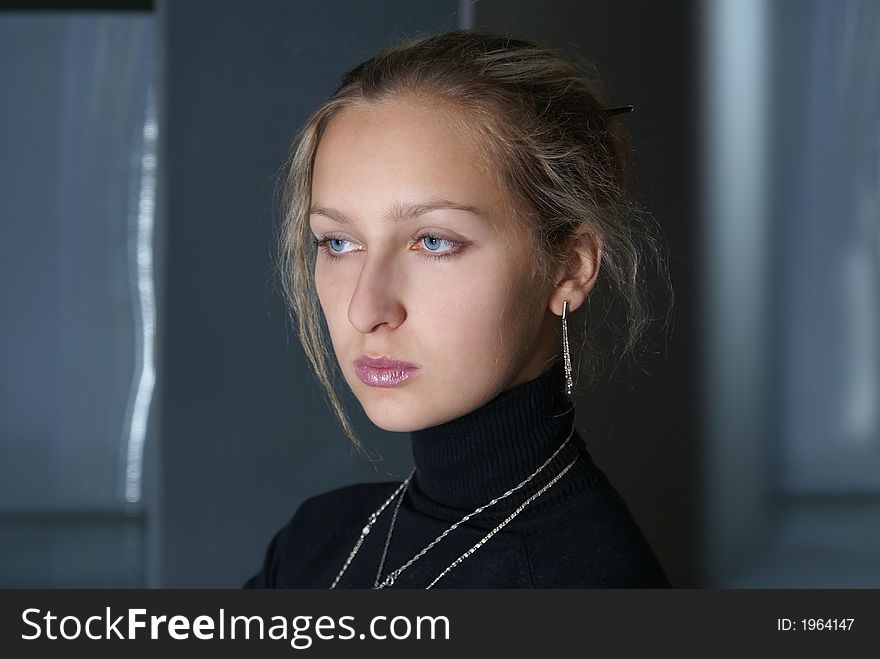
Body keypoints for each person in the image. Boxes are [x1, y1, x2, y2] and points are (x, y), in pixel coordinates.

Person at [244, 28, 672, 589]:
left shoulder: (586, 582)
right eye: (339, 243)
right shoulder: (316, 540)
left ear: (569, 268)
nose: (365, 308)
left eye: (434, 241)